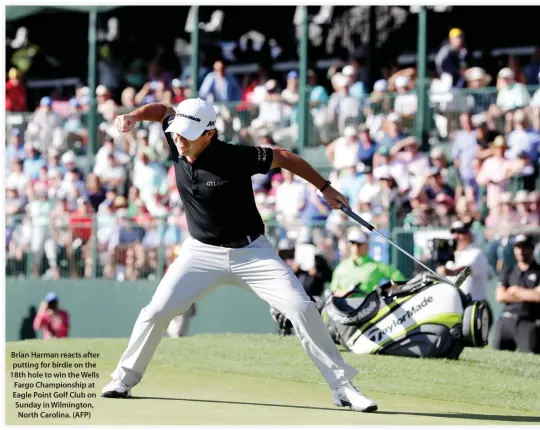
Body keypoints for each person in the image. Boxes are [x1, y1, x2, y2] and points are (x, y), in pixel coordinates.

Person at [100, 98, 378, 412]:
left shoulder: (234, 156)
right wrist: (133, 116)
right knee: (156, 311)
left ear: (209, 133)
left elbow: (284, 157)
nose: (179, 139)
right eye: (177, 132)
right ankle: (122, 379)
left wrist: (324, 187)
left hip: (252, 252)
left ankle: (342, 388)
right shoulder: (175, 133)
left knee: (301, 307)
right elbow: (163, 111)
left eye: (188, 134)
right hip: (200, 252)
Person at [493, 234, 540, 354]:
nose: (520, 251)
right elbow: (500, 296)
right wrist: (529, 294)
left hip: (528, 320)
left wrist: (515, 290)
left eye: (524, 247)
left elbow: (538, 297)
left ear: (532, 248)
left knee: (530, 354)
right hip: (506, 319)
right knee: (497, 355)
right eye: (517, 247)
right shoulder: (508, 270)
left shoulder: (538, 271)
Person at [330, 229, 404, 298]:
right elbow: (334, 291)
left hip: (370, 308)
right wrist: (346, 292)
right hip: (344, 308)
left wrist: (385, 291)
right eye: (352, 243)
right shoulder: (341, 268)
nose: (356, 246)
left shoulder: (376, 266)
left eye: (359, 244)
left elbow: (398, 278)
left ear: (366, 245)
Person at [436, 220, 491, 302]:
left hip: (475, 305)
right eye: (454, 233)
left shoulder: (476, 253)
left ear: (469, 235)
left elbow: (466, 271)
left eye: (460, 233)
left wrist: (449, 272)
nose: (457, 237)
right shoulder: (450, 255)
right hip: (456, 305)